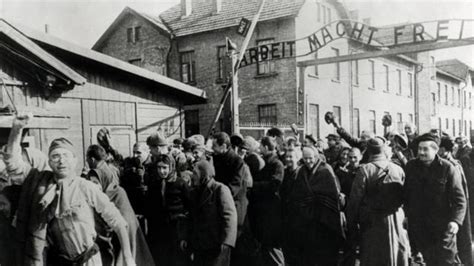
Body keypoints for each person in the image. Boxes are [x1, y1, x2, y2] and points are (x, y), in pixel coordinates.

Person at [5, 113, 135, 265]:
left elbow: (117, 221)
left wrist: (128, 257)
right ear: (49, 162)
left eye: (66, 155)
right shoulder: (40, 184)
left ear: (75, 160)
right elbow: (13, 163)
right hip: (59, 261)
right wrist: (17, 129)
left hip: (89, 260)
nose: (61, 161)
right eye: (56, 156)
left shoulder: (86, 187)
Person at [85, 144, 154, 266]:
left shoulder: (97, 174)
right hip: (127, 216)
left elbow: (97, 197)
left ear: (92, 159)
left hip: (121, 220)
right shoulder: (111, 170)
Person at [346, 137, 410, 266]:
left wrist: (351, 221)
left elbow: (355, 200)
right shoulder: (397, 168)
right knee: (396, 251)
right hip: (396, 217)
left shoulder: (365, 170)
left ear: (369, 151)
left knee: (373, 254)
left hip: (372, 220)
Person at [405, 133, 466, 265]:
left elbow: (459, 201)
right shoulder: (411, 167)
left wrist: (455, 221)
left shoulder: (447, 168)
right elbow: (406, 195)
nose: (421, 152)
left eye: (425, 149)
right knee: (429, 260)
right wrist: (406, 216)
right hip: (420, 227)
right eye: (419, 149)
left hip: (443, 227)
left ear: (435, 150)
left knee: (446, 261)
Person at [282, 147, 344, 266]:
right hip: (306, 221)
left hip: (324, 220)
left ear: (316, 157)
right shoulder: (301, 172)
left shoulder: (325, 170)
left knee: (323, 254)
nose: (308, 162)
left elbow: (331, 195)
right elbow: (297, 193)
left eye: (310, 158)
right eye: (305, 159)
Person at [183, 160, 237, 266]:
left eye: (195, 173)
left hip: (216, 245)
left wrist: (227, 242)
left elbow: (230, 216)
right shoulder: (193, 192)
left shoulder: (220, 189)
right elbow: (189, 216)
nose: (192, 176)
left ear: (204, 174)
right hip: (199, 245)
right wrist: (184, 237)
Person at [144, 154, 190, 266]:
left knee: (175, 259)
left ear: (171, 167)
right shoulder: (154, 184)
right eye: (159, 168)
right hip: (158, 229)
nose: (161, 171)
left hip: (175, 229)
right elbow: (149, 207)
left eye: (165, 167)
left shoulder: (180, 183)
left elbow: (189, 205)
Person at [248, 137, 285, 266]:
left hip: (272, 211)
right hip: (263, 212)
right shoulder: (264, 162)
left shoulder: (276, 164)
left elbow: (275, 184)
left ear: (267, 147)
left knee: (272, 247)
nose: (259, 149)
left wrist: (254, 186)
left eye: (261, 147)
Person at [438, 136, 473, 266]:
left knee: (459, 242)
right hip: (454, 207)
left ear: (443, 150)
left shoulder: (452, 165)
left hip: (455, 209)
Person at [212, 132, 248, 236]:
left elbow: (234, 187)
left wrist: (217, 197)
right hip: (220, 205)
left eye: (214, 146)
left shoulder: (237, 162)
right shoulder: (217, 158)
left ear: (223, 146)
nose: (212, 149)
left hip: (233, 207)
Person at [280, 148, 302, 265]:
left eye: (291, 157)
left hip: (298, 219)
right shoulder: (285, 173)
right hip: (286, 217)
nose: (288, 159)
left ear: (298, 159)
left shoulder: (302, 174)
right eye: (286, 157)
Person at [121, 142, 152, 216]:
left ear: (147, 152)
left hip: (150, 204)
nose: (135, 155)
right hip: (134, 204)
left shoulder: (153, 164)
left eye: (138, 153)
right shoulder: (129, 163)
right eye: (134, 152)